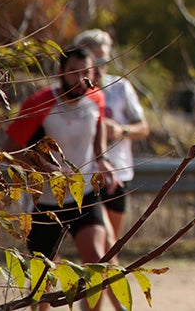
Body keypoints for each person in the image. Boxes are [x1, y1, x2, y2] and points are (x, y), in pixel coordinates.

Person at [4, 46, 118, 311]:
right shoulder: (40, 103)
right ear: (60, 73)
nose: (81, 80)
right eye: (73, 73)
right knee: (42, 282)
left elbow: (98, 129)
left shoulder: (96, 99)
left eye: (86, 73)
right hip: (45, 204)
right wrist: (45, 168)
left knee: (97, 262)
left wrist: (103, 159)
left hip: (84, 197)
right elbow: (9, 150)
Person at [73, 28, 150, 241]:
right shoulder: (72, 93)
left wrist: (120, 130)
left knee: (111, 246)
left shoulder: (120, 88)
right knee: (101, 240)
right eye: (94, 61)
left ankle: (105, 274)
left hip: (118, 173)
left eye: (105, 60)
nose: (100, 68)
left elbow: (143, 128)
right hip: (85, 175)